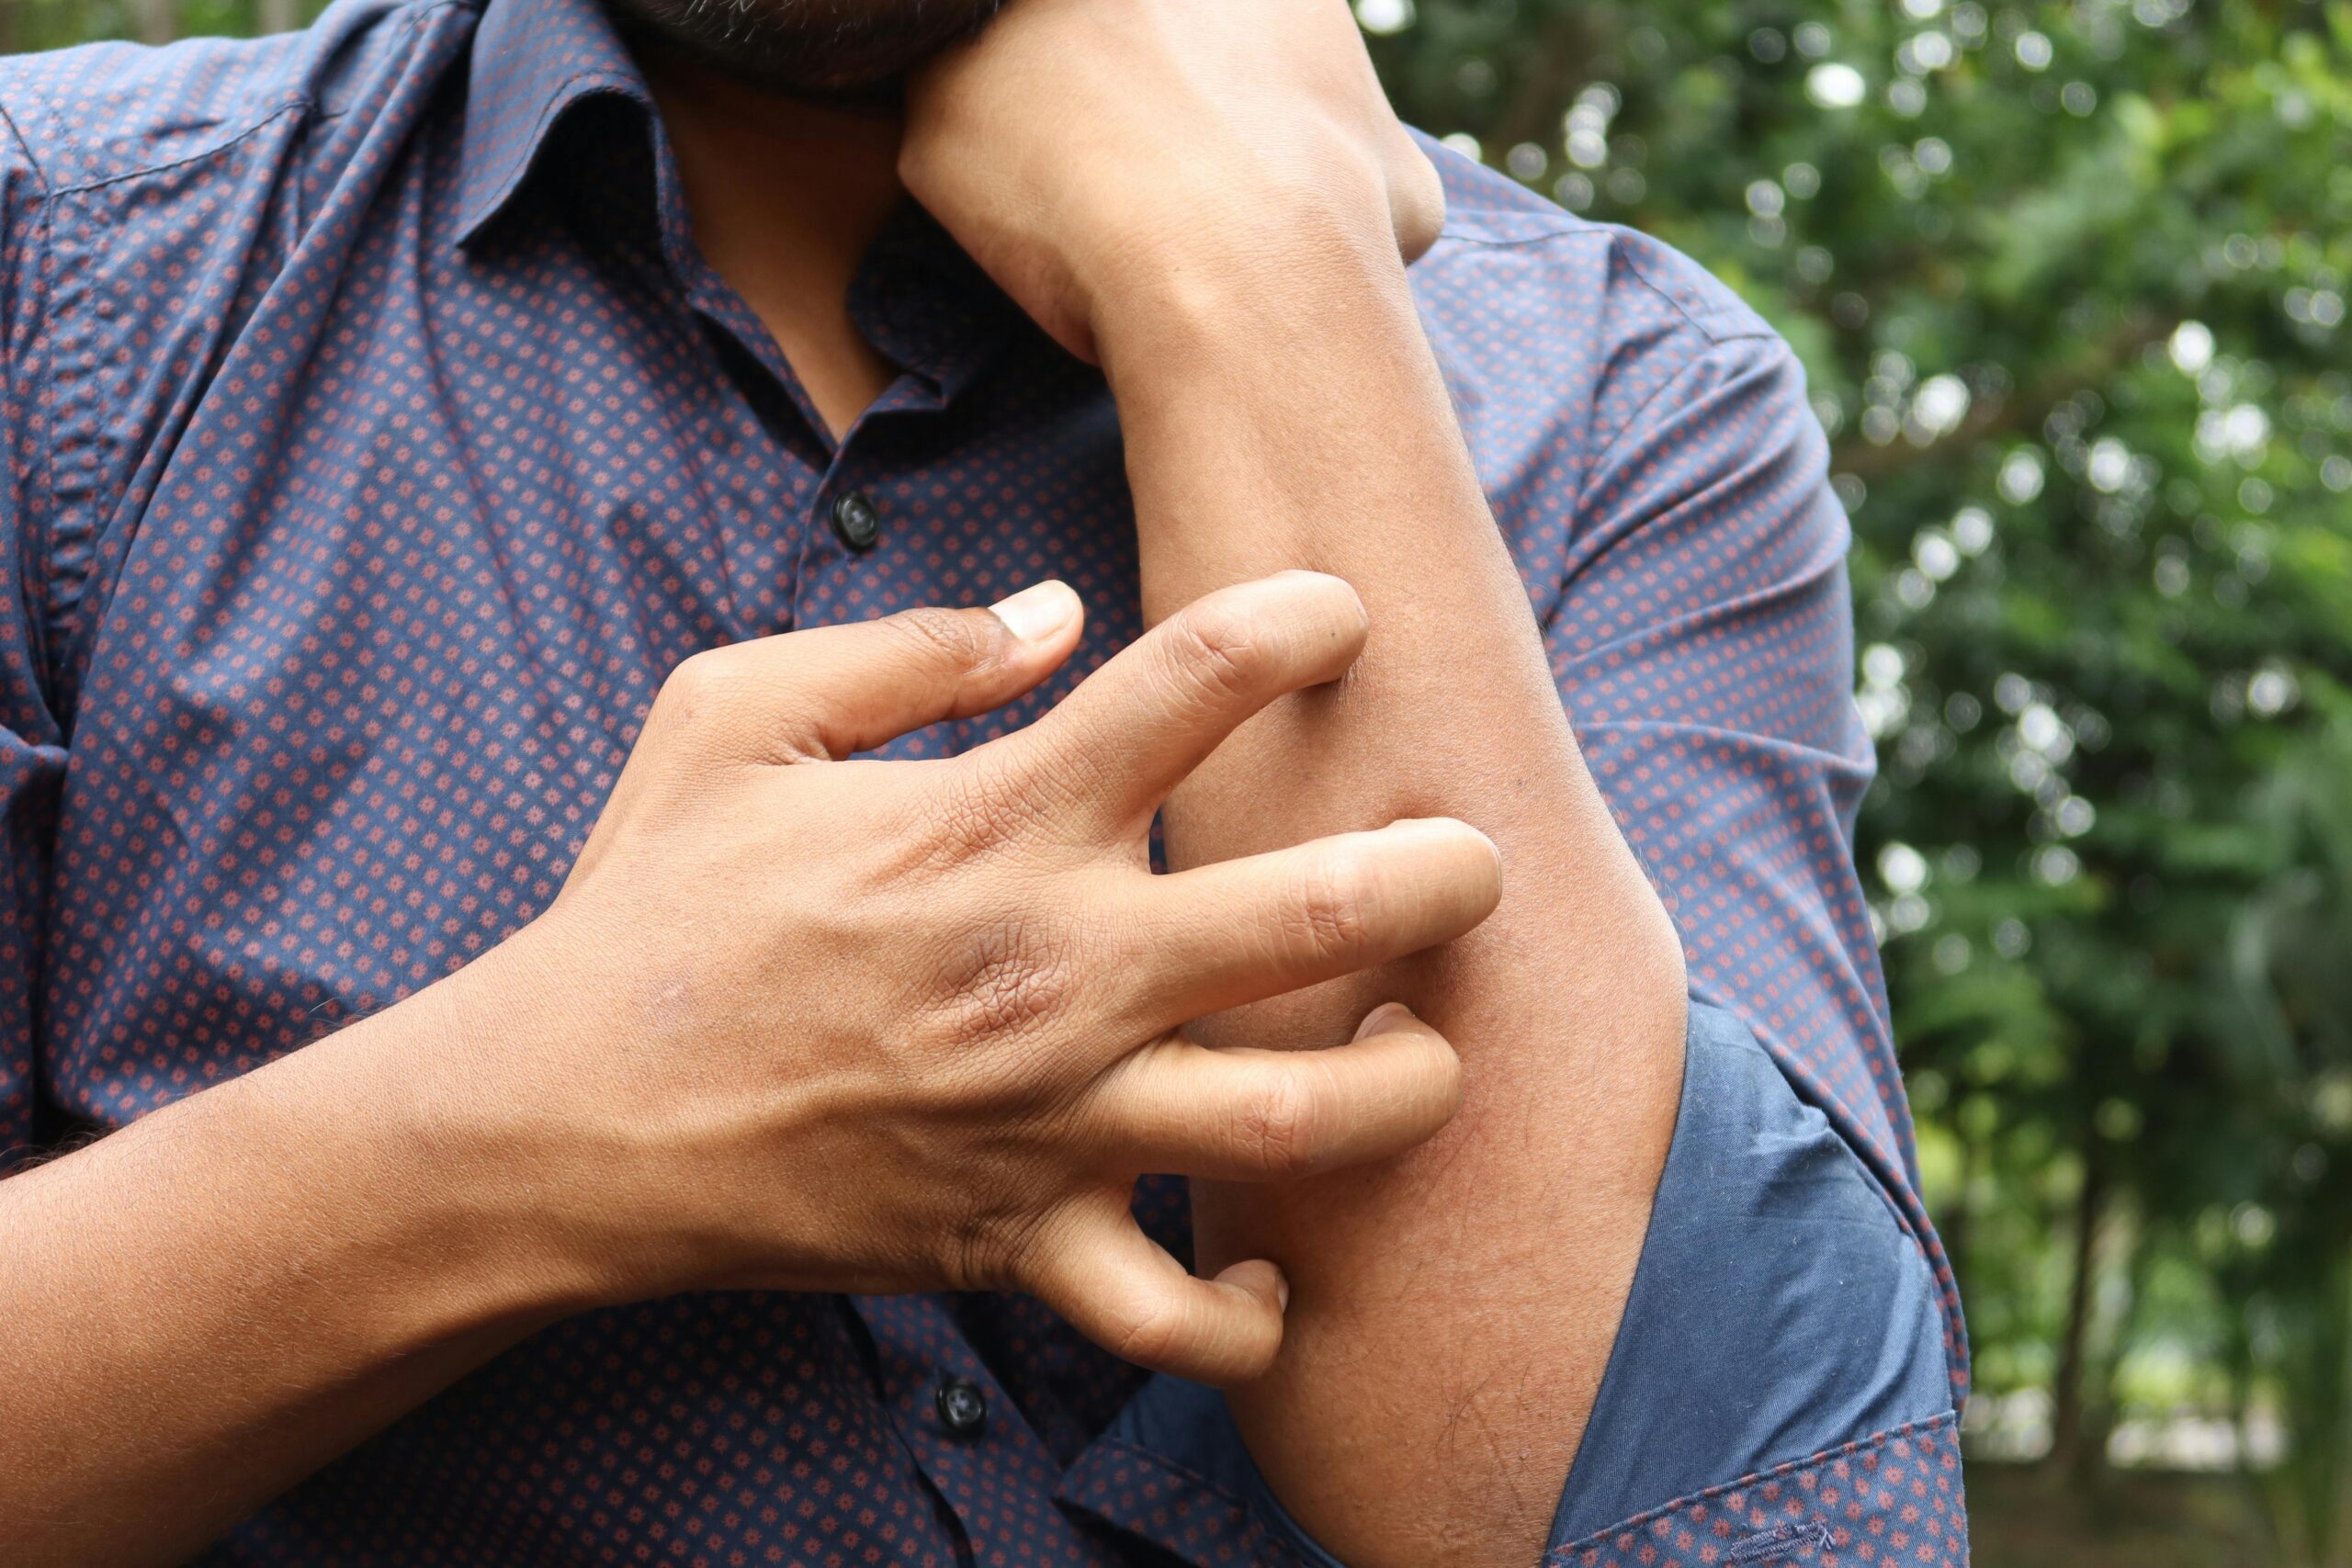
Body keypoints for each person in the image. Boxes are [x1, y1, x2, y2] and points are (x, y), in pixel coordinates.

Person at [0, 0, 1970, 1562]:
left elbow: (1664, 1515)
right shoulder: (62, 267)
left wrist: (1246, 257)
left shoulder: (1631, 399)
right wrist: (546, 1123)